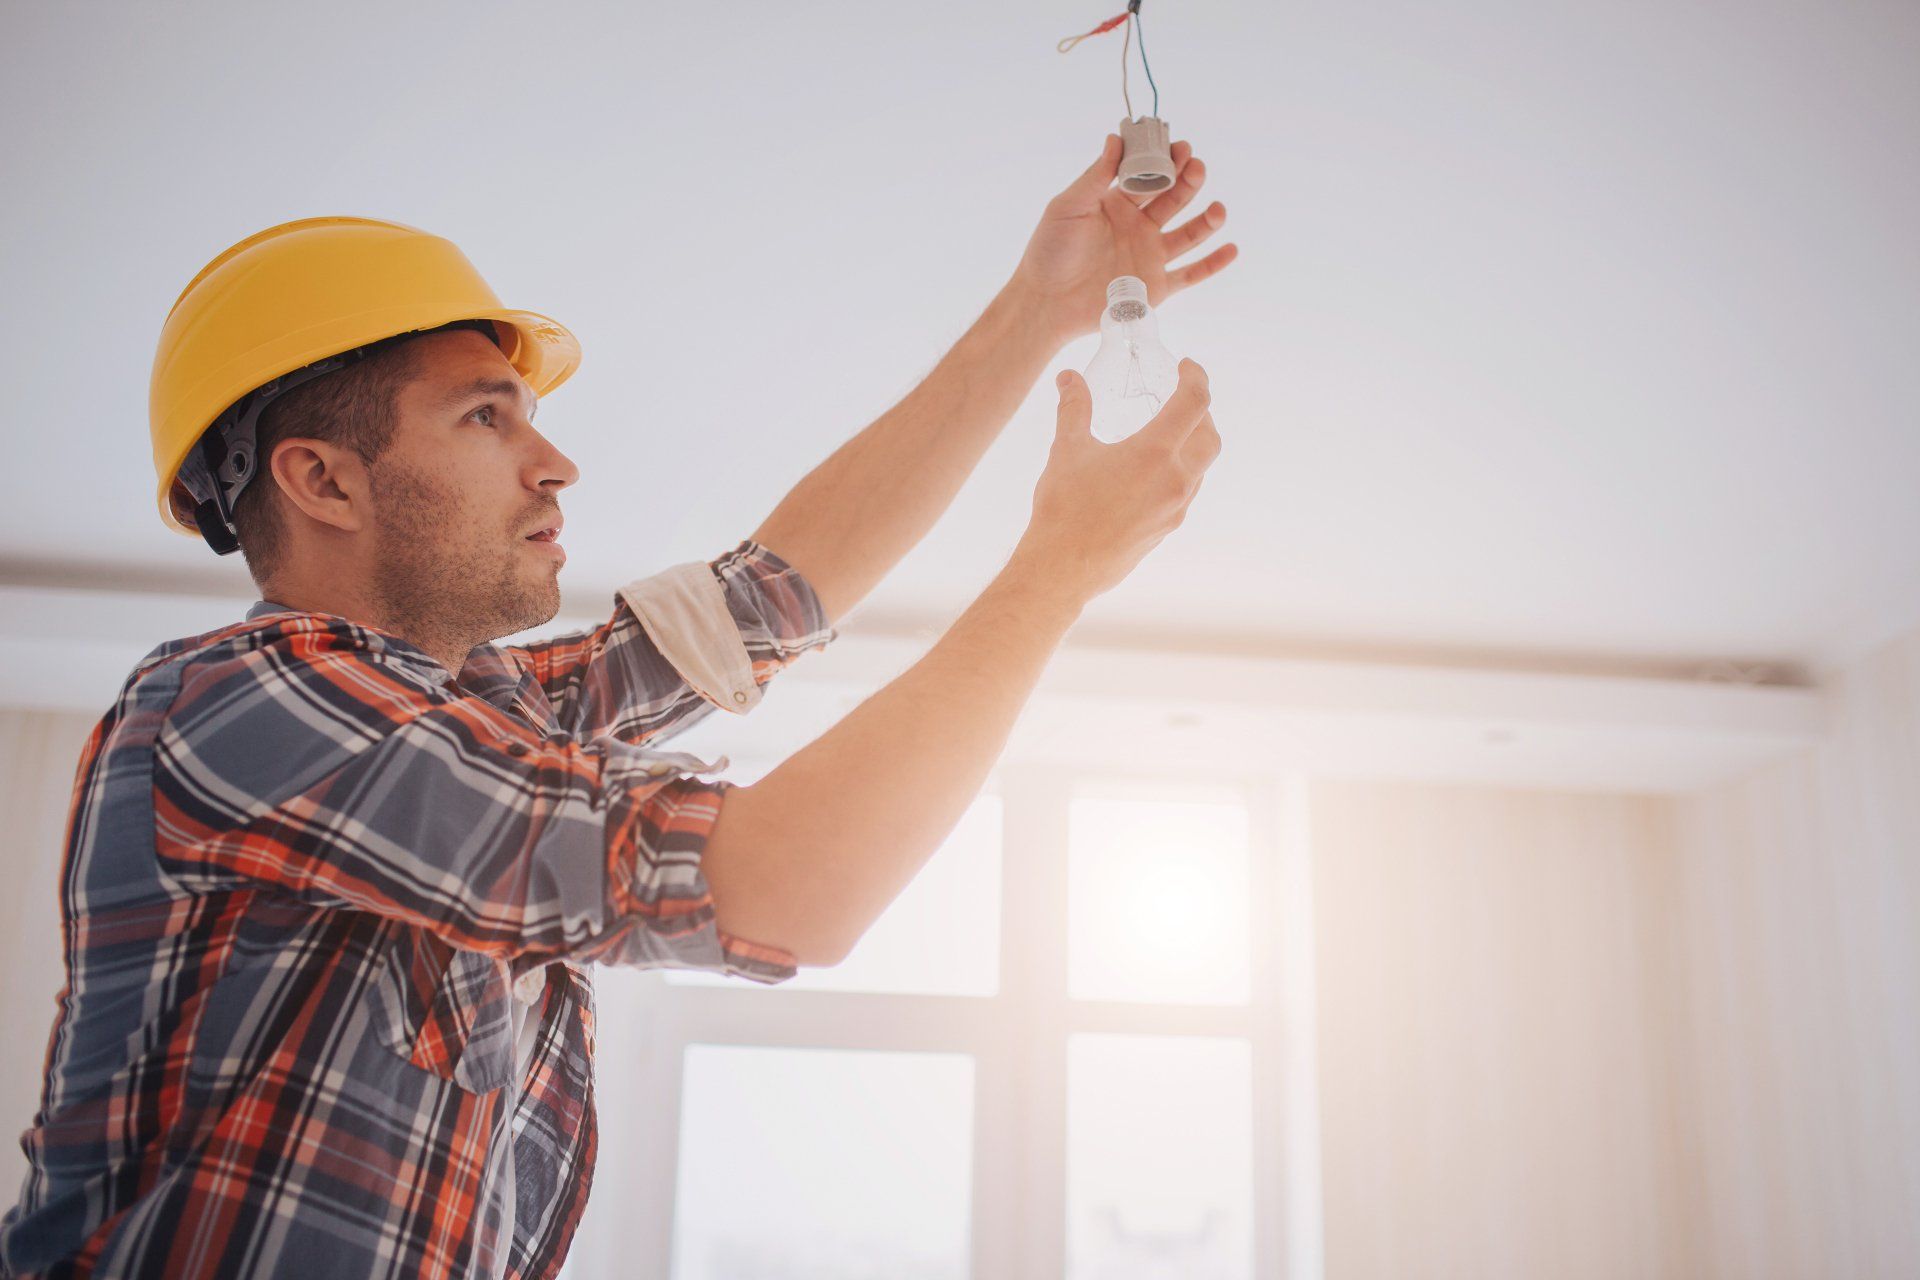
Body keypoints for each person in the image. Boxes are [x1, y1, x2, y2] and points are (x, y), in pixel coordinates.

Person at [1, 133, 1232, 1278]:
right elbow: (779, 885)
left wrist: (1042, 309)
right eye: (487, 414)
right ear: (321, 477)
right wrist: (1054, 571)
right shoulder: (238, 701)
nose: (556, 461)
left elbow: (769, 595)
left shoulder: (484, 711)